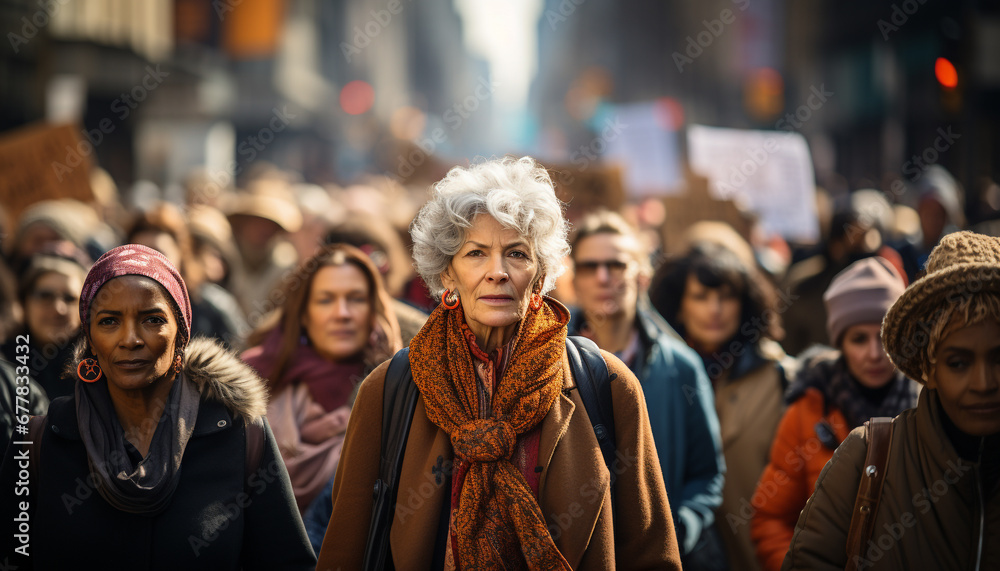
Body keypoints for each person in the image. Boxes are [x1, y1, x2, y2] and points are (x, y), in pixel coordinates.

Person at [317, 157, 680, 570]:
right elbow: (345, 550)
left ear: (540, 274)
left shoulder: (607, 383)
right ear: (447, 274)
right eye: (475, 253)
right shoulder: (391, 388)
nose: (497, 272)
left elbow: (652, 552)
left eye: (517, 254)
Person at [0, 244, 315, 569]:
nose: (131, 338)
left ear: (181, 333)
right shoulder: (38, 443)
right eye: (109, 321)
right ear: (90, 339)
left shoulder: (240, 436)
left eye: (152, 319)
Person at [783, 231, 1000, 569]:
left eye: (999, 358)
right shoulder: (864, 457)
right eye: (958, 363)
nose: (985, 383)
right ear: (929, 366)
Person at [567, 210, 726, 569]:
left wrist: (676, 532)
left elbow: (707, 474)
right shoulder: (548, 362)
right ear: (574, 279)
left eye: (617, 265)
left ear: (641, 274)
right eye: (590, 267)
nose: (604, 277)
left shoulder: (680, 367)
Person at [750, 257, 920, 570]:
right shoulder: (808, 410)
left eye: (884, 337)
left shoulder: (929, 405)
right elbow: (770, 517)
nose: (874, 353)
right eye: (859, 339)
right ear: (840, 342)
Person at [650, 237, 792, 571]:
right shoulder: (652, 375)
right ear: (679, 306)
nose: (714, 309)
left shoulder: (780, 376)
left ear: (744, 304)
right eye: (700, 297)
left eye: (726, 297)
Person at [242, 243, 402, 513]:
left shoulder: (400, 385)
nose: (342, 313)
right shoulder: (249, 378)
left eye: (356, 299)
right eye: (325, 299)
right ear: (304, 313)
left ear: (373, 309)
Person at [127, 202, 249, 349]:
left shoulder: (214, 308)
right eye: (139, 254)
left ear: (180, 255)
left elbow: (241, 361)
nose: (147, 263)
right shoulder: (116, 306)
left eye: (159, 253)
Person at [1, 250, 90, 401]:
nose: (58, 308)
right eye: (45, 296)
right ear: (24, 303)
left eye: (69, 298)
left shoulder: (95, 368)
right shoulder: (4, 364)